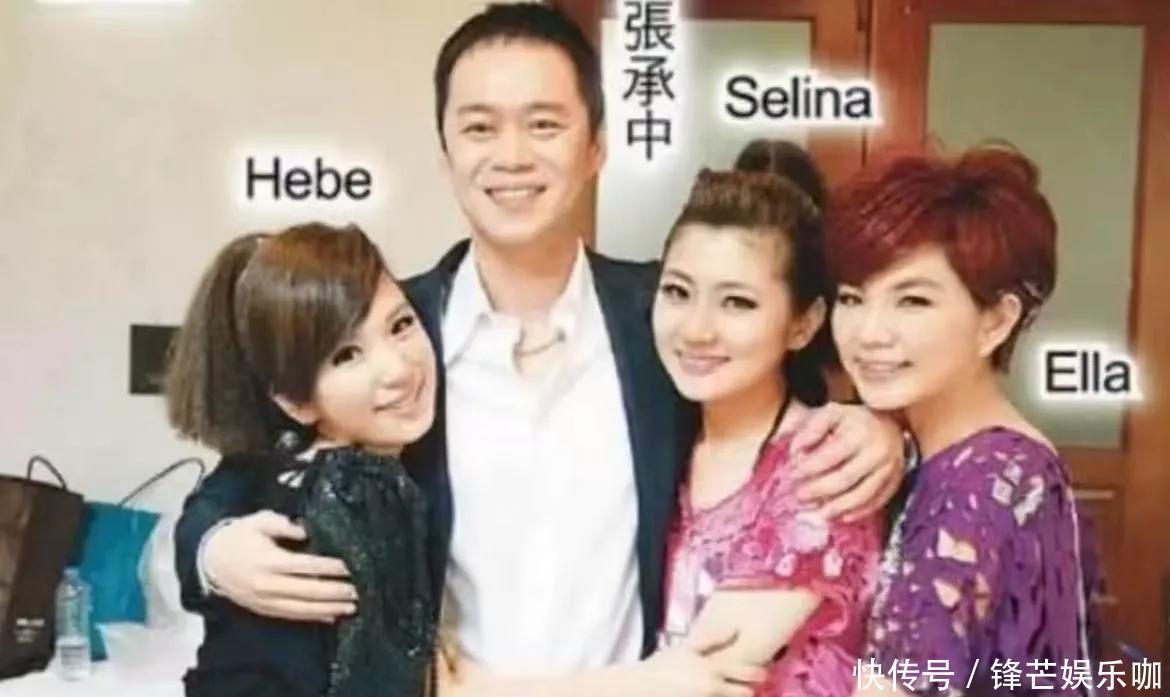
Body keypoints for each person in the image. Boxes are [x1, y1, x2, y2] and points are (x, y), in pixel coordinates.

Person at [175, 4, 907, 693]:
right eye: (480, 127)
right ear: (446, 154)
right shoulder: (397, 339)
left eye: (544, 124)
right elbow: (250, 471)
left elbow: (779, 406)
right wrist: (210, 550)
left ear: (596, 147)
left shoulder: (665, 319)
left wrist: (886, 429)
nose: (512, 156)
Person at [823, 146, 1099, 695]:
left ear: (995, 321)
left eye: (913, 301)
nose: (869, 333)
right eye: (852, 299)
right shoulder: (960, 452)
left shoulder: (981, 483)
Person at [165, 223, 438, 697]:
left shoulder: (292, 465)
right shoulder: (359, 489)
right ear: (296, 402)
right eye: (347, 355)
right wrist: (211, 551)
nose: (397, 370)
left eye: (400, 326)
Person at [653, 169, 880, 697]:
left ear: (803, 323)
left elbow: (700, 681)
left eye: (737, 302)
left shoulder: (821, 469)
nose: (696, 329)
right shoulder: (664, 433)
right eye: (678, 292)